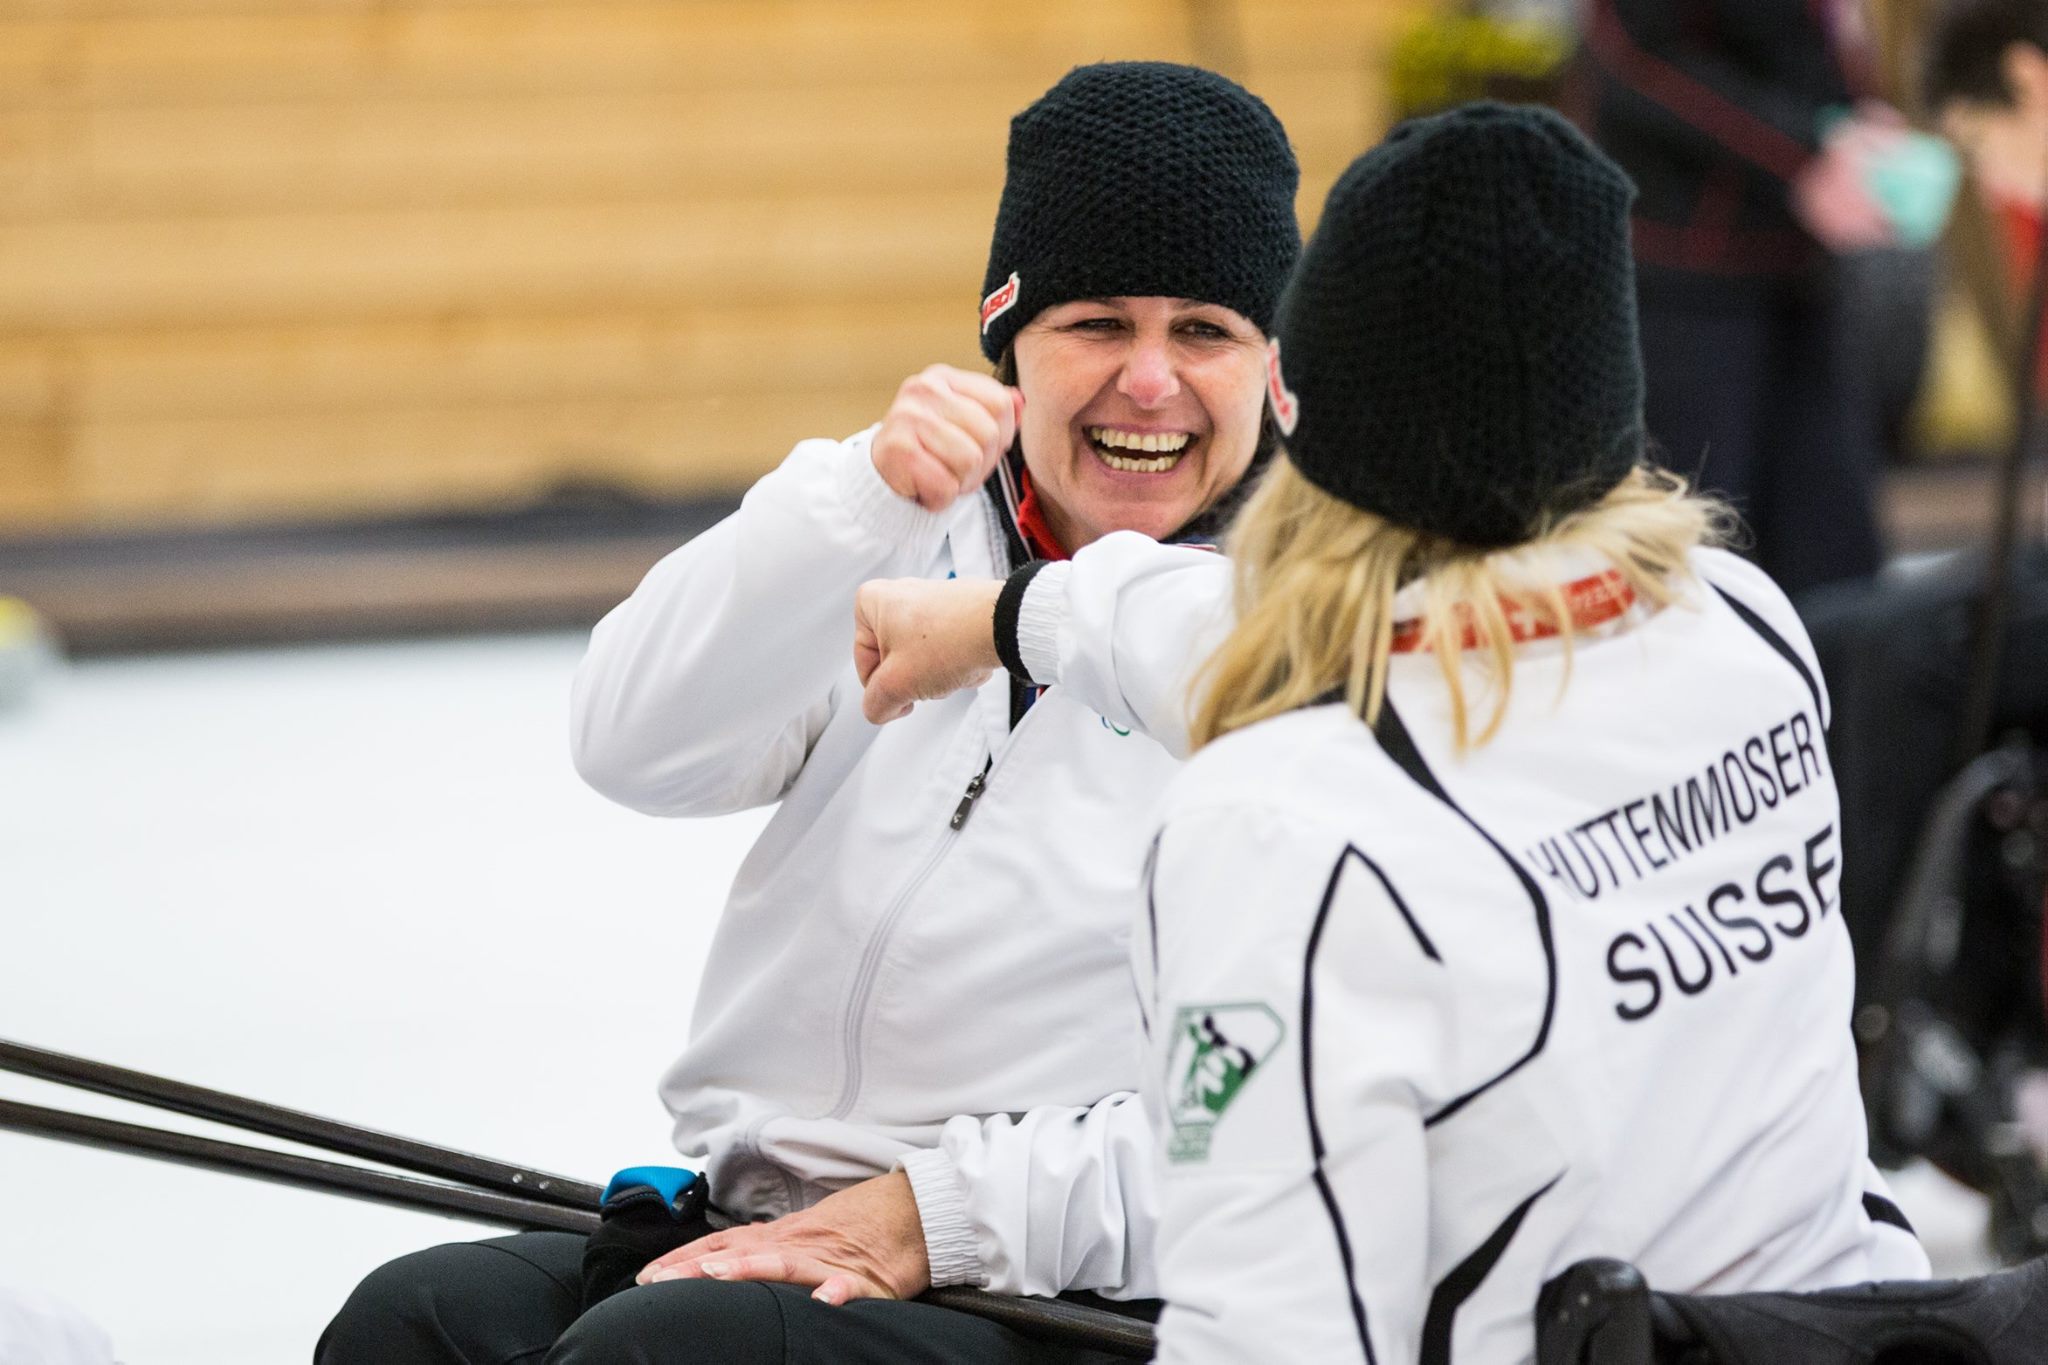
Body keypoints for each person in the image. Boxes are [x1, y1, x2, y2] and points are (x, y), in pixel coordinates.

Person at [854, 103, 1930, 1361]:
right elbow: (1331, 646)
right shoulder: (1742, 625)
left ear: (1299, 407)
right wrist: (1014, 614)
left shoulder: (1284, 824)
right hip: (1847, 1326)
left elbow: (1268, 1335)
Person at [316, 61, 1299, 1364]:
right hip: (770, 1213)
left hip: (1063, 1284)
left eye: (1205, 332)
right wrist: (855, 501)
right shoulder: (909, 528)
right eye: (1097, 324)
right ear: (1009, 342)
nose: (1150, 381)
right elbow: (631, 744)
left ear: (1273, 368)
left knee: (659, 1361)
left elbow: (1289, 1114)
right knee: (413, 1325)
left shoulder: (1309, 635)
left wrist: (932, 1216)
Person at [1580, 0, 1911, 597]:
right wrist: (1805, 156)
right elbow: (1636, 56)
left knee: (1835, 551)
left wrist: (1858, 126)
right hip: (1689, 276)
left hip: (1800, 264)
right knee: (1697, 553)